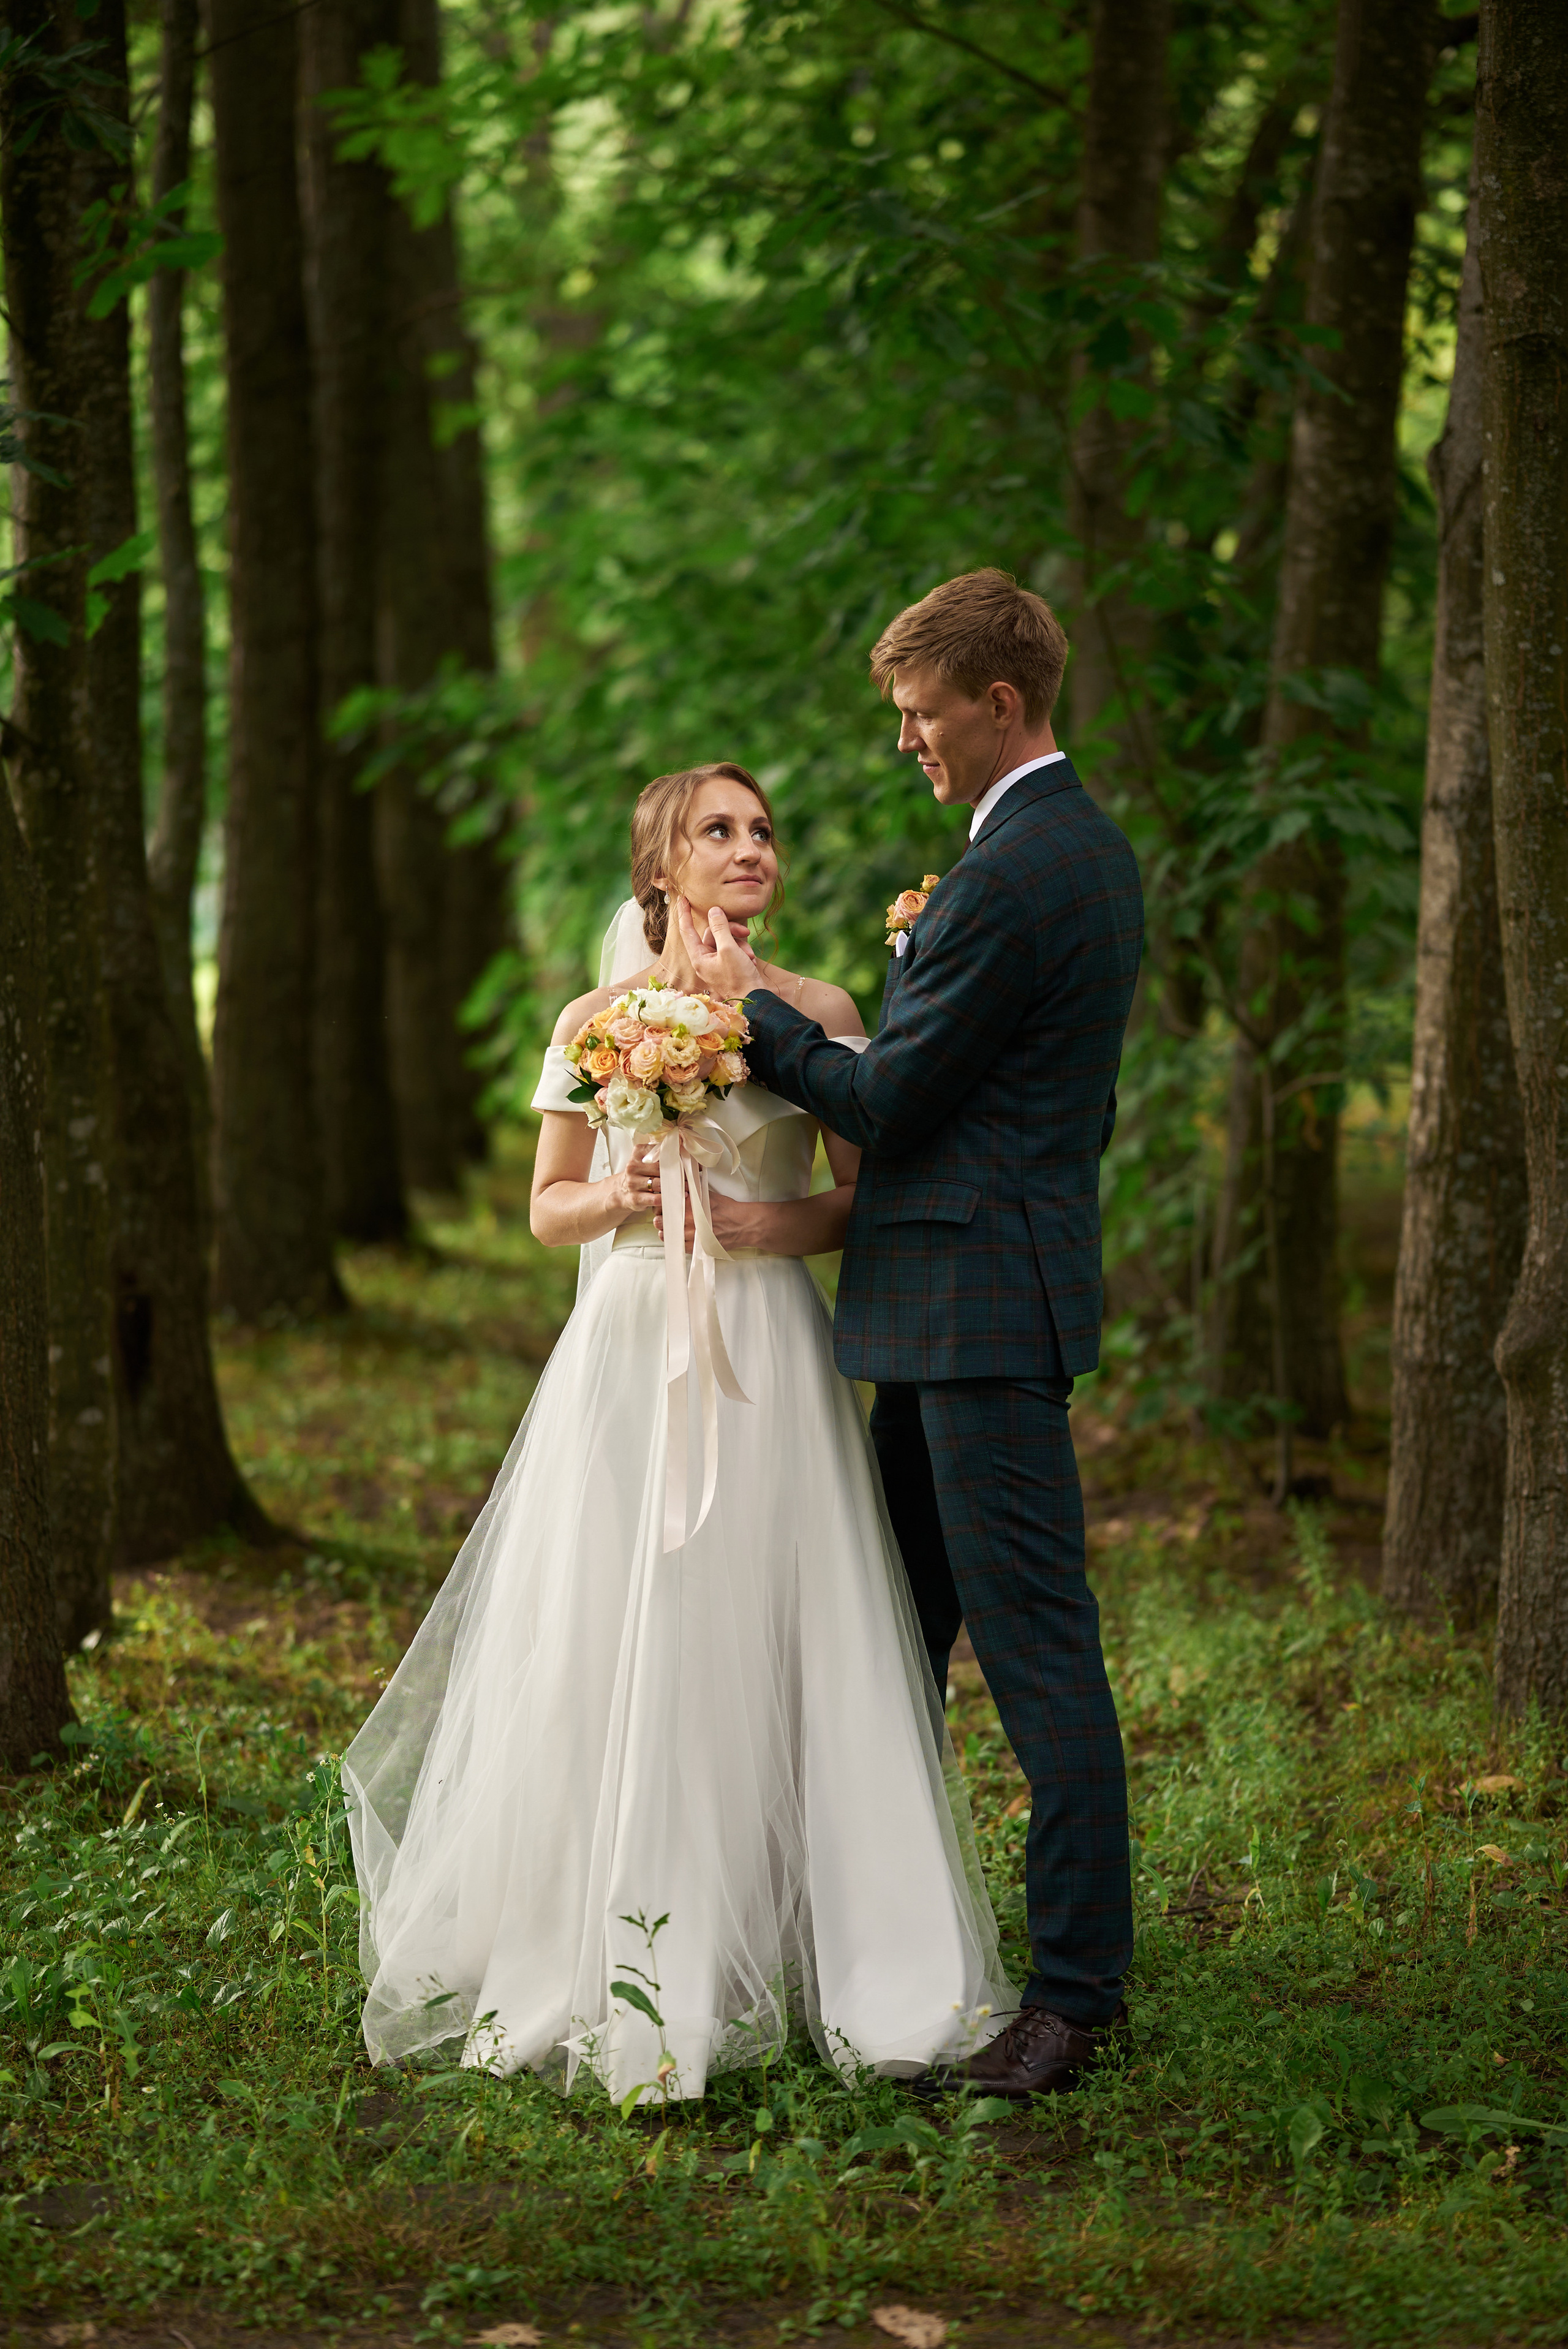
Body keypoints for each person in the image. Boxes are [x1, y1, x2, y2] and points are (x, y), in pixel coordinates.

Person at [342, 759, 1012, 2101]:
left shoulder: (815, 1010)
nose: (751, 848)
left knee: (781, 1623)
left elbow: (862, 1200)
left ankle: (821, 1938)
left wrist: (772, 1226)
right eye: (720, 831)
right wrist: (623, 1188)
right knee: (620, 1624)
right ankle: (630, 1948)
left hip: (767, 1344)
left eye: (763, 828)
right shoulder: (597, 1019)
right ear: (662, 865)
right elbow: (546, 1209)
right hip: (631, 1348)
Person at [680, 570, 1145, 2100]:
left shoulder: (1020, 873)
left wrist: (761, 1020)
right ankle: (879, 1946)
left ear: (997, 704)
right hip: (944, 1310)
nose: (906, 742)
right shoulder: (1048, 853)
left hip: (979, 1315)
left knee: (1035, 1662)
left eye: (921, 714)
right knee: (883, 1647)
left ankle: (1072, 1999)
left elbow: (887, 1103)